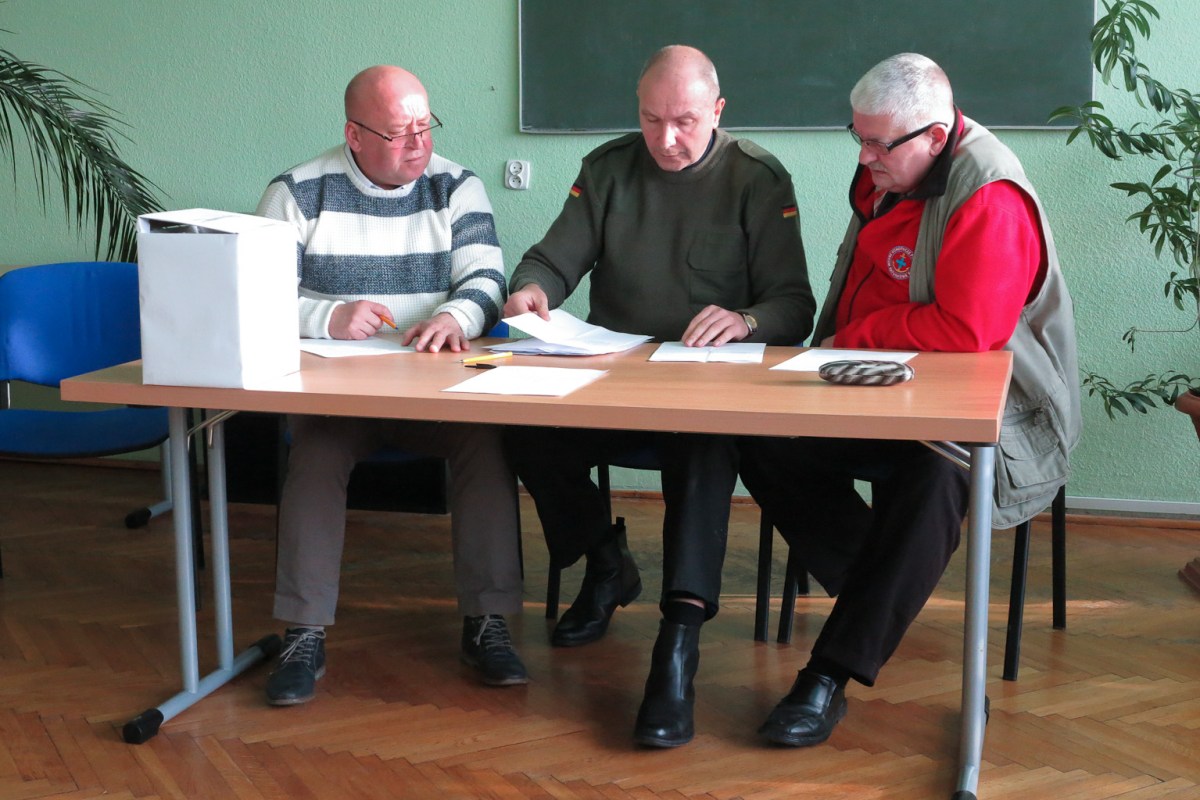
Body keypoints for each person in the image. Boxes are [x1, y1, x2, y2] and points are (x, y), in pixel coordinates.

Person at [739, 53, 1080, 747]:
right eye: (858, 137)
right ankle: (881, 593)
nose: (863, 158)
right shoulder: (892, 169)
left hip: (994, 409)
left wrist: (854, 337)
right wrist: (840, 348)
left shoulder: (990, 193)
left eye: (878, 144)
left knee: (936, 474)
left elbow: (967, 331)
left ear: (935, 135)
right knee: (758, 433)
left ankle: (827, 674)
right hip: (872, 382)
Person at [504, 45, 814, 747]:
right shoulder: (608, 169)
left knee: (703, 449)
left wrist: (747, 321)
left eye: (685, 122)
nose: (666, 139)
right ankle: (606, 563)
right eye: (651, 120)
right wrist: (531, 290)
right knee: (521, 425)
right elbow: (552, 260)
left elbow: (795, 304)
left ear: (718, 111)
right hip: (613, 383)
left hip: (705, 392)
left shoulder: (757, 177)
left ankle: (678, 644)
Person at [254, 65, 527, 706]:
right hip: (340, 399)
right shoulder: (296, 192)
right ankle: (303, 632)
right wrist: (327, 316)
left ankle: (487, 621)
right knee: (314, 457)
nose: (418, 145)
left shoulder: (456, 186)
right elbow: (256, 294)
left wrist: (454, 317)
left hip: (438, 395)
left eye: (425, 127)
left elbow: (487, 280)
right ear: (354, 135)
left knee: (487, 443)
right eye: (399, 133)